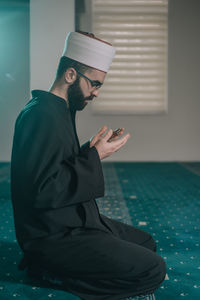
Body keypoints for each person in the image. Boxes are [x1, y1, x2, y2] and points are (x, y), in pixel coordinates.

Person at [11, 31, 166, 300]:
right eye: (94, 84)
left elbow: (52, 166)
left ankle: (65, 266)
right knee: (152, 269)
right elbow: (43, 191)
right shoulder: (42, 115)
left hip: (72, 220)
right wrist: (95, 157)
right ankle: (52, 273)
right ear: (71, 75)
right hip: (53, 236)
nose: (95, 92)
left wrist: (89, 151)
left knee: (146, 243)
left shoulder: (58, 109)